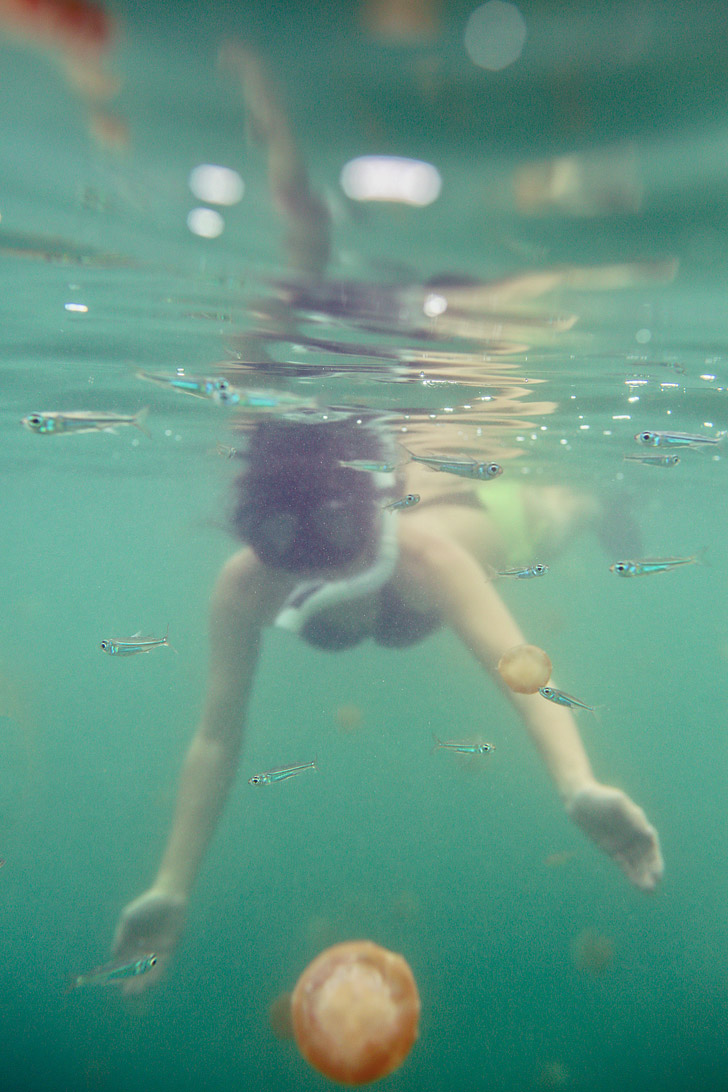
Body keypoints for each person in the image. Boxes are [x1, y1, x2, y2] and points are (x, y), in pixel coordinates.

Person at [112, 44, 663, 993]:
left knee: (540, 512)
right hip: (407, 526)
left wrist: (579, 785)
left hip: (456, 523)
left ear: (370, 503)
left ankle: (589, 499)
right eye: (289, 549)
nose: (318, 571)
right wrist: (170, 885)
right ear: (258, 529)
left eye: (335, 543)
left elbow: (519, 672)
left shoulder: (428, 550)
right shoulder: (249, 580)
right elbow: (216, 734)